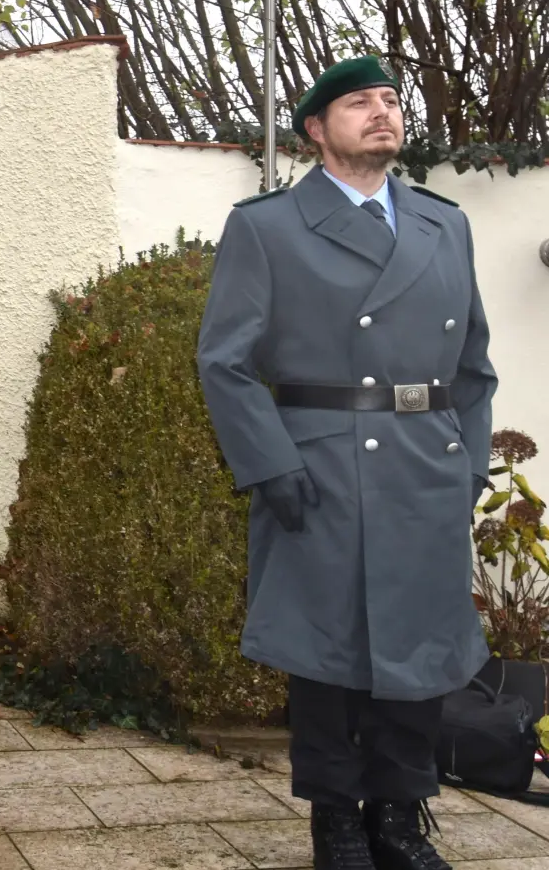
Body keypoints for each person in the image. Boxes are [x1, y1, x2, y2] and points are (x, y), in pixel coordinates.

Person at [196, 55, 496, 870]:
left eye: (392, 100)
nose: (382, 112)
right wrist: (269, 463)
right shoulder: (268, 226)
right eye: (358, 102)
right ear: (316, 131)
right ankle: (336, 822)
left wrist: (471, 462)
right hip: (321, 466)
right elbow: (224, 361)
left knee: (420, 651)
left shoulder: (445, 223)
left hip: (426, 466)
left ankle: (400, 818)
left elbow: (472, 365)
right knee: (326, 653)